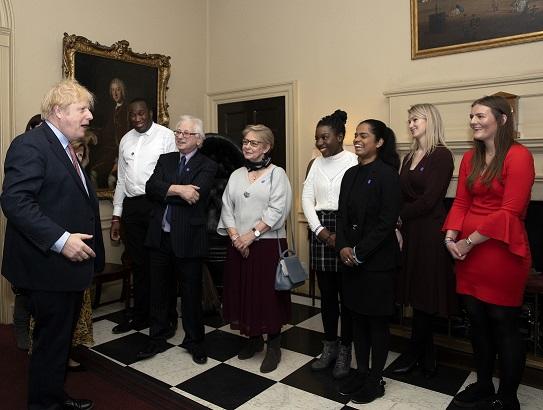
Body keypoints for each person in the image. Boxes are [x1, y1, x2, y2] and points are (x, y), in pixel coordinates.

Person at [1, 79, 105, 410]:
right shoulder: (31, 145)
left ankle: (54, 397)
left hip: (67, 270)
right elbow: (15, 202)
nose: (89, 116)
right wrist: (61, 241)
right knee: (50, 343)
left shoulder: (63, 148)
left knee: (58, 344)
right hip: (48, 267)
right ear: (58, 112)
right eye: (82, 109)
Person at [444, 96, 535, 410]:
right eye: (471, 116)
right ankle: (483, 384)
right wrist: (451, 238)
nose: (473, 121)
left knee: (504, 324)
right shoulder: (471, 157)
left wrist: (468, 243)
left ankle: (507, 397)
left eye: (480, 115)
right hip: (468, 253)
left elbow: (509, 212)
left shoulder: (519, 156)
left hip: (503, 252)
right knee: (477, 321)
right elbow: (460, 203)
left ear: (502, 119)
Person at [138, 115, 218, 364]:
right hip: (159, 238)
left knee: (191, 295)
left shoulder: (208, 165)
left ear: (199, 140)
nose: (180, 136)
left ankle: (195, 342)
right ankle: (157, 337)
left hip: (189, 238)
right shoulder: (166, 159)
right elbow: (151, 188)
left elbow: (197, 194)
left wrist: (168, 189)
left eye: (187, 133)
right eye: (178, 132)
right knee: (159, 292)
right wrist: (179, 189)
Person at [335, 119, 401, 404]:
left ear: (379, 142)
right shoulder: (350, 174)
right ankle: (361, 373)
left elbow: (386, 222)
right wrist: (342, 247)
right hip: (349, 260)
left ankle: (375, 380)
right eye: (356, 135)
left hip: (377, 263)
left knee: (375, 323)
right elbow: (340, 215)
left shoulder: (388, 175)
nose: (357, 140)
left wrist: (359, 251)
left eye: (364, 135)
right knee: (357, 320)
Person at [218, 124, 292, 373]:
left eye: (253, 143)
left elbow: (277, 210)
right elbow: (227, 207)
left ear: (267, 147)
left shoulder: (277, 174)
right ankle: (252, 339)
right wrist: (236, 237)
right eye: (245, 141)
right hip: (239, 244)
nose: (247, 146)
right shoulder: (236, 174)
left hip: (267, 246)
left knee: (267, 297)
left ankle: (273, 345)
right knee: (242, 292)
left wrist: (251, 236)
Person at [393, 103, 456, 378]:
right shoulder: (408, 156)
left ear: (430, 121)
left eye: (416, 119)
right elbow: (400, 193)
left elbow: (431, 200)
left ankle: (414, 352)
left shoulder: (441, 155)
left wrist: (397, 216)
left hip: (429, 231)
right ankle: (426, 355)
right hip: (409, 230)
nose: (410, 124)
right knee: (416, 293)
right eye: (409, 120)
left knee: (424, 293)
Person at [110, 98, 177, 334]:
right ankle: (141, 316)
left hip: (157, 204)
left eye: (141, 114)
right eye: (132, 115)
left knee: (160, 264)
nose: (137, 119)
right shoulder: (126, 139)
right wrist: (117, 215)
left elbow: (172, 176)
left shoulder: (166, 136)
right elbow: (121, 180)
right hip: (132, 207)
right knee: (138, 264)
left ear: (150, 113)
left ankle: (167, 318)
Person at [301, 109, 358, 378]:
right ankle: (329, 347)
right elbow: (306, 200)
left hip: (347, 230)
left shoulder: (354, 162)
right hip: (320, 230)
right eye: (317, 138)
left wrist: (342, 235)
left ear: (340, 136)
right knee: (327, 298)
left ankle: (346, 350)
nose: (320, 143)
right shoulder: (315, 164)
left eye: (325, 137)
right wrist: (321, 232)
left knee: (348, 298)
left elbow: (359, 203)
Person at [11, 114, 44, 350]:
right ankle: (21, 331)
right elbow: (16, 199)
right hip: (24, 232)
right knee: (24, 290)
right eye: (35, 127)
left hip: (47, 234)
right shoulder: (23, 149)